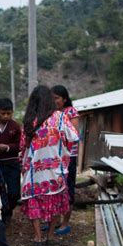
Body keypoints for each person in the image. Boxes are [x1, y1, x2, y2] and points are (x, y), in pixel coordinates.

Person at [21, 86, 79, 246]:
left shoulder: (29, 120)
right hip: (55, 171)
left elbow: (22, 146)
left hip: (34, 172)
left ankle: (38, 237)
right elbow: (74, 136)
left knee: (34, 202)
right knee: (55, 203)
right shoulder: (60, 117)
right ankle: (51, 236)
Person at [51, 85, 80, 235]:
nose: (54, 100)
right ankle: (53, 222)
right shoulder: (52, 113)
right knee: (55, 188)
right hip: (55, 157)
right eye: (52, 97)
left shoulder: (71, 112)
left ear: (65, 99)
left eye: (56, 98)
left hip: (69, 157)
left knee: (68, 188)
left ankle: (65, 223)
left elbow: (74, 134)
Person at [0, 98, 22, 222]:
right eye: (3, 113)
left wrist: (7, 147)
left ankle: (9, 209)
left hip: (12, 163)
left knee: (14, 192)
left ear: (12, 112)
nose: (6, 116)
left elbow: (19, 145)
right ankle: (2, 215)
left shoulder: (15, 127)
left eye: (8, 113)